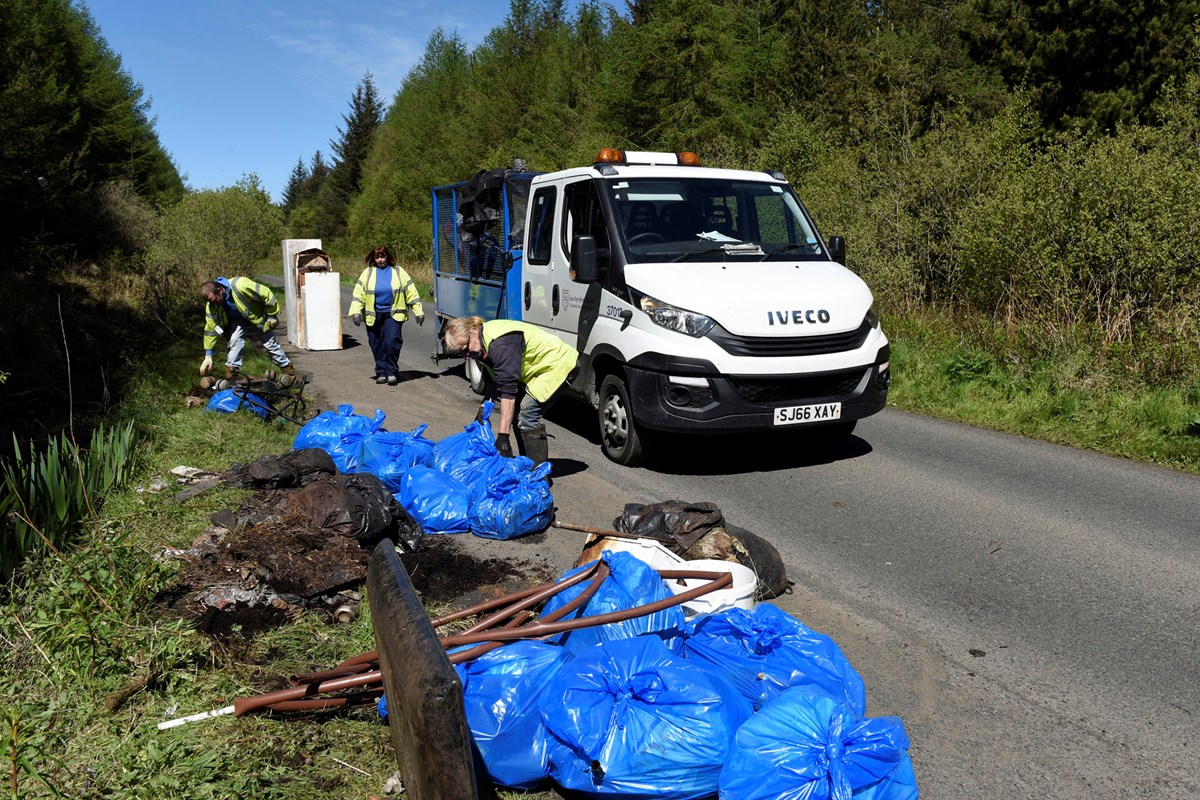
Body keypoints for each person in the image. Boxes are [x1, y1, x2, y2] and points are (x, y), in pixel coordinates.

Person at [441, 316, 579, 469]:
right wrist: (483, 410)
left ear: (473, 333)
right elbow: (495, 383)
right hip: (538, 371)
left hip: (558, 365)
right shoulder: (482, 344)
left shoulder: (500, 345)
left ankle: (538, 476)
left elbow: (508, 392)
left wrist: (503, 437)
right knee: (515, 416)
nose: (467, 356)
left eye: (466, 350)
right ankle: (527, 464)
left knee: (526, 415)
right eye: (461, 355)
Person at [348, 245, 425, 385]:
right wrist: (356, 312)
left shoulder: (398, 271)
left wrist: (418, 311)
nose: (380, 260)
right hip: (374, 315)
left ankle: (391, 372)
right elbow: (358, 293)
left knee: (391, 342)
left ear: (388, 257)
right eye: (377, 257)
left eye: (382, 256)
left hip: (393, 314)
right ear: (374, 258)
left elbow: (411, 292)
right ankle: (381, 372)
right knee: (376, 344)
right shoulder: (368, 273)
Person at [200, 277, 294, 383]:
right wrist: (208, 355)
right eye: (211, 302)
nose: (214, 304)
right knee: (234, 342)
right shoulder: (212, 304)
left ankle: (289, 375)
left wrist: (272, 315)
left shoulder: (240, 285)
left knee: (270, 344)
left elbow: (266, 293)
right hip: (237, 320)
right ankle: (233, 378)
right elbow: (211, 328)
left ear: (220, 290)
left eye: (214, 300)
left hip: (257, 316)